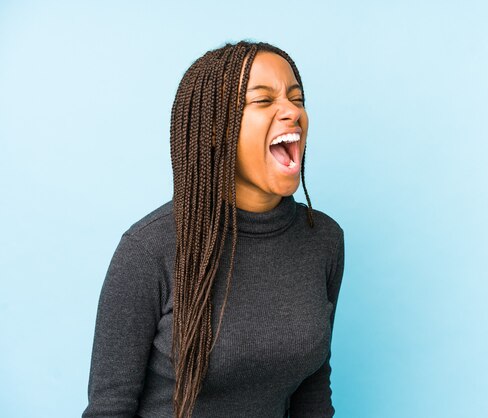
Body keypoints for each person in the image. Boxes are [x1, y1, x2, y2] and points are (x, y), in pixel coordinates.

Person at [82, 40, 345, 418]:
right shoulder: (149, 249)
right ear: (215, 127)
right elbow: (110, 408)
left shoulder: (323, 239)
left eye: (296, 98)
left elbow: (313, 391)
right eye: (263, 100)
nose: (291, 111)